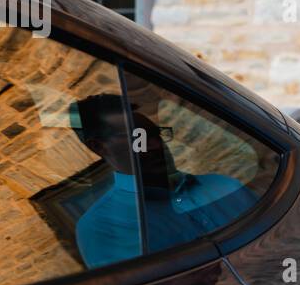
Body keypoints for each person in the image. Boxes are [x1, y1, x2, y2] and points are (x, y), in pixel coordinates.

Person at [70, 92, 259, 267]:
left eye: (157, 135)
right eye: (139, 139)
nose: (154, 145)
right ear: (99, 147)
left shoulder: (223, 185)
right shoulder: (102, 227)